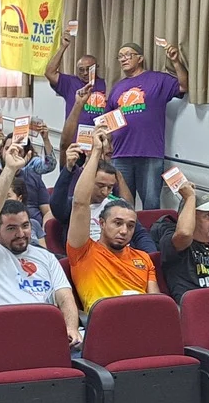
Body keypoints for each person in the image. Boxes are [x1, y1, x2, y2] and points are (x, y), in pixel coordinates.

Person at [0, 139, 80, 345]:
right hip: (2, 337)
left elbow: (64, 297)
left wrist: (71, 327)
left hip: (46, 335)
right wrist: (10, 169)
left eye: (25, 226)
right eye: (11, 228)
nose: (21, 233)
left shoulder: (46, 257)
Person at [67, 128, 159, 313]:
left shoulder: (143, 259)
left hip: (142, 319)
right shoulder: (83, 252)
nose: (124, 231)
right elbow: (80, 203)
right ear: (102, 223)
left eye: (130, 226)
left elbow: (157, 304)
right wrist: (96, 152)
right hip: (106, 322)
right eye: (117, 223)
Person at [105, 41, 189, 209]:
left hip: (149, 153)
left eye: (128, 55)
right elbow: (108, 121)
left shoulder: (157, 79)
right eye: (120, 56)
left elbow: (183, 85)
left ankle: (149, 228)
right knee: (121, 205)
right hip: (120, 154)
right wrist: (105, 146)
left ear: (140, 58)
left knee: (151, 204)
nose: (123, 59)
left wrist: (175, 61)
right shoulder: (117, 88)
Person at [44, 25, 109, 129]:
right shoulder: (70, 83)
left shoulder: (106, 84)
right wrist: (63, 47)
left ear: (96, 67)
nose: (85, 73)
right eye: (81, 70)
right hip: (75, 136)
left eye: (89, 69)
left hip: (99, 135)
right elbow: (49, 73)